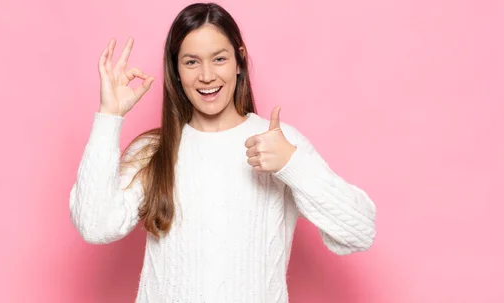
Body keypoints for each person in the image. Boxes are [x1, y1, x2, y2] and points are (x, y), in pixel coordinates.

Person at [69, 2, 376, 302]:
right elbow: (95, 226)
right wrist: (109, 116)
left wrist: (292, 165)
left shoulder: (276, 143)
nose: (206, 75)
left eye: (219, 59)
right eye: (191, 62)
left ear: (239, 61)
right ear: (176, 70)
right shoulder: (154, 151)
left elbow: (360, 231)